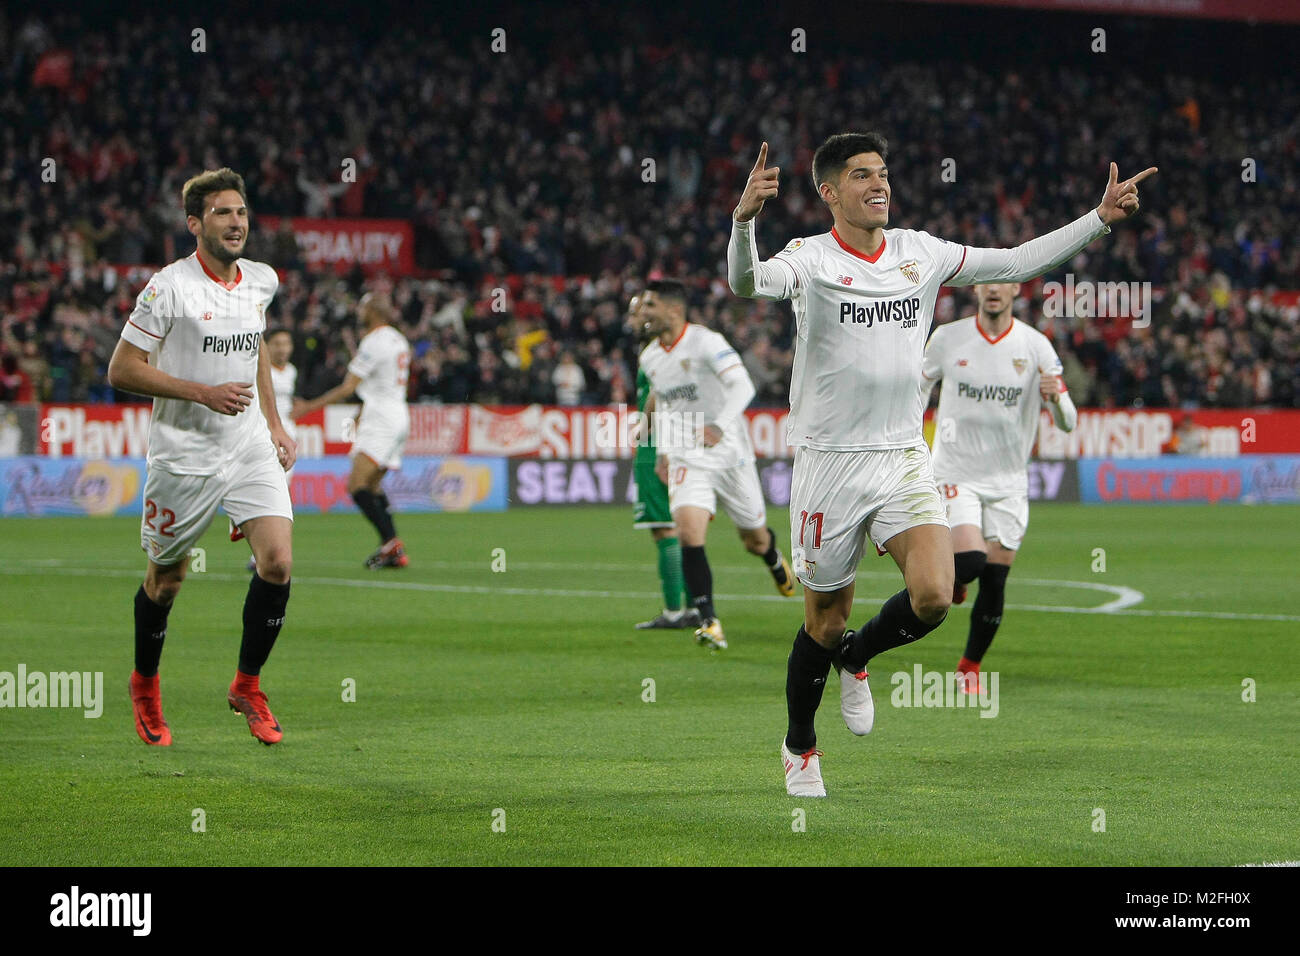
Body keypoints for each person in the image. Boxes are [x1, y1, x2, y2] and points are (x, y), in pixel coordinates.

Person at [727, 133, 1154, 796]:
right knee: (823, 619)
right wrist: (743, 223)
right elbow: (747, 282)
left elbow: (1013, 261)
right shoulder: (808, 259)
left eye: (884, 173)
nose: (879, 185)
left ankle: (859, 657)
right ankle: (800, 746)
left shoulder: (918, 253)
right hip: (828, 465)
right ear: (830, 192)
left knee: (934, 597)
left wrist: (1098, 219)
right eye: (862, 175)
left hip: (902, 457)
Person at [107, 167, 296, 747]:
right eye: (222, 213)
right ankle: (144, 683)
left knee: (278, 564)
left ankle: (247, 685)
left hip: (247, 448)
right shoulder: (169, 287)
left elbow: (255, 344)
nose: (236, 222)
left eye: (241, 212)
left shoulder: (261, 280)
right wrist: (202, 392)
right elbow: (121, 370)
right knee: (166, 583)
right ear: (195, 224)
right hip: (184, 456)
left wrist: (274, 420)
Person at [921, 282, 1078, 692]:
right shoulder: (948, 338)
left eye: (1002, 282)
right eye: (986, 281)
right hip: (955, 471)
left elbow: (1069, 421)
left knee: (995, 579)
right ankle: (952, 578)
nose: (994, 289)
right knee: (971, 562)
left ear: (1014, 289)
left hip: (1008, 481)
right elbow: (916, 392)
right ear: (976, 288)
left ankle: (969, 666)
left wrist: (1057, 400)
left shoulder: (1035, 345)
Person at [639, 278, 797, 651]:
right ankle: (709, 621)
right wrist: (663, 451)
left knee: (754, 538)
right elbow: (663, 405)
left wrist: (718, 425)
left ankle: (773, 557)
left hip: (729, 453)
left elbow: (743, 387)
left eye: (650, 306)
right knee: (689, 531)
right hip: (685, 455)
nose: (643, 313)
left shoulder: (707, 342)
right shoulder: (649, 356)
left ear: (673, 309)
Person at [294, 292, 411, 568]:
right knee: (372, 485)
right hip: (397, 414)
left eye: (363, 306)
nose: (359, 311)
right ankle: (392, 546)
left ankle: (391, 544)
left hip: (382, 418)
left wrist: (308, 407)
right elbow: (382, 384)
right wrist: (361, 412)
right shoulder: (398, 339)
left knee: (356, 485)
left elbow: (348, 387)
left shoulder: (374, 341)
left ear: (375, 311)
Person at [628, 293, 698, 630]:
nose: (632, 319)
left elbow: (658, 392)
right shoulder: (669, 350)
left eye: (636, 313)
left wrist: (644, 430)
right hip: (673, 443)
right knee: (681, 529)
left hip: (657, 446)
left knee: (664, 529)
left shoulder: (655, 354)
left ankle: (675, 611)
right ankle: (696, 605)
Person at [241, 327, 299, 571]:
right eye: (277, 343)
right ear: (267, 346)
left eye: (286, 343)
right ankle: (263, 548)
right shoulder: (258, 368)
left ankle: (266, 553)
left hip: (287, 434)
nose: (282, 348)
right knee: (268, 491)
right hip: (262, 433)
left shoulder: (292, 372)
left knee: (279, 492)